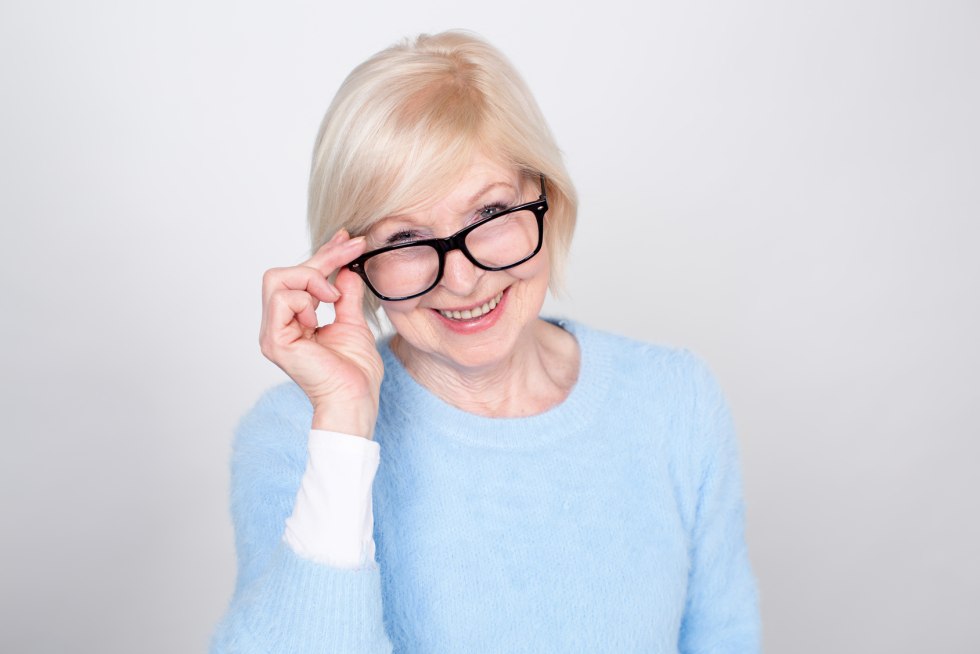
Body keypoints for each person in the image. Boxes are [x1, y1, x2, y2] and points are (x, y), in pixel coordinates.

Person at [212, 31, 760, 653]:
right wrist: (342, 429)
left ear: (545, 198)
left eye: (489, 217)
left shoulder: (676, 402)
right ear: (351, 265)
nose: (464, 277)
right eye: (405, 240)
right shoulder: (297, 436)